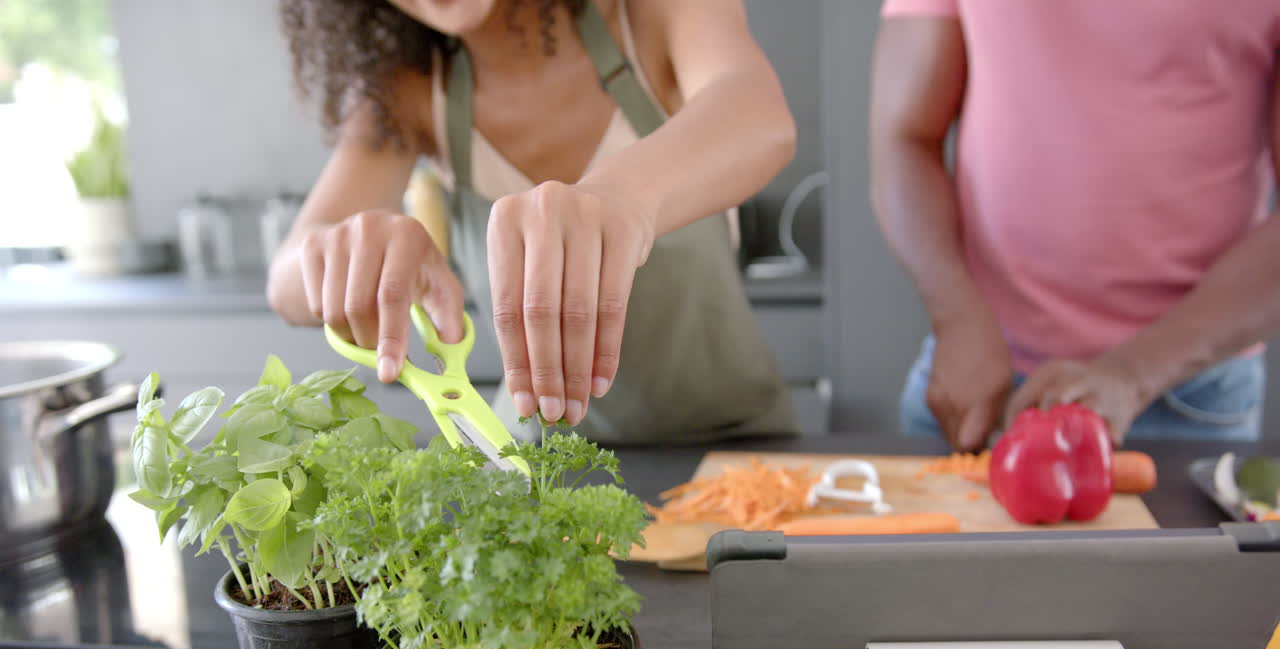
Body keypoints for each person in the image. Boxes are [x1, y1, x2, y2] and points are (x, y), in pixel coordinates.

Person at [267, 0, 798, 444]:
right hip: (535, 467)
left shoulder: (651, 13)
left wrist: (622, 196)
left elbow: (758, 113)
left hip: (732, 449)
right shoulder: (408, 90)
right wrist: (341, 250)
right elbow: (287, 277)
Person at [871, 0, 1280, 451]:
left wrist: (1134, 373)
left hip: (1186, 392)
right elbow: (905, 136)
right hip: (983, 376)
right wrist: (955, 315)